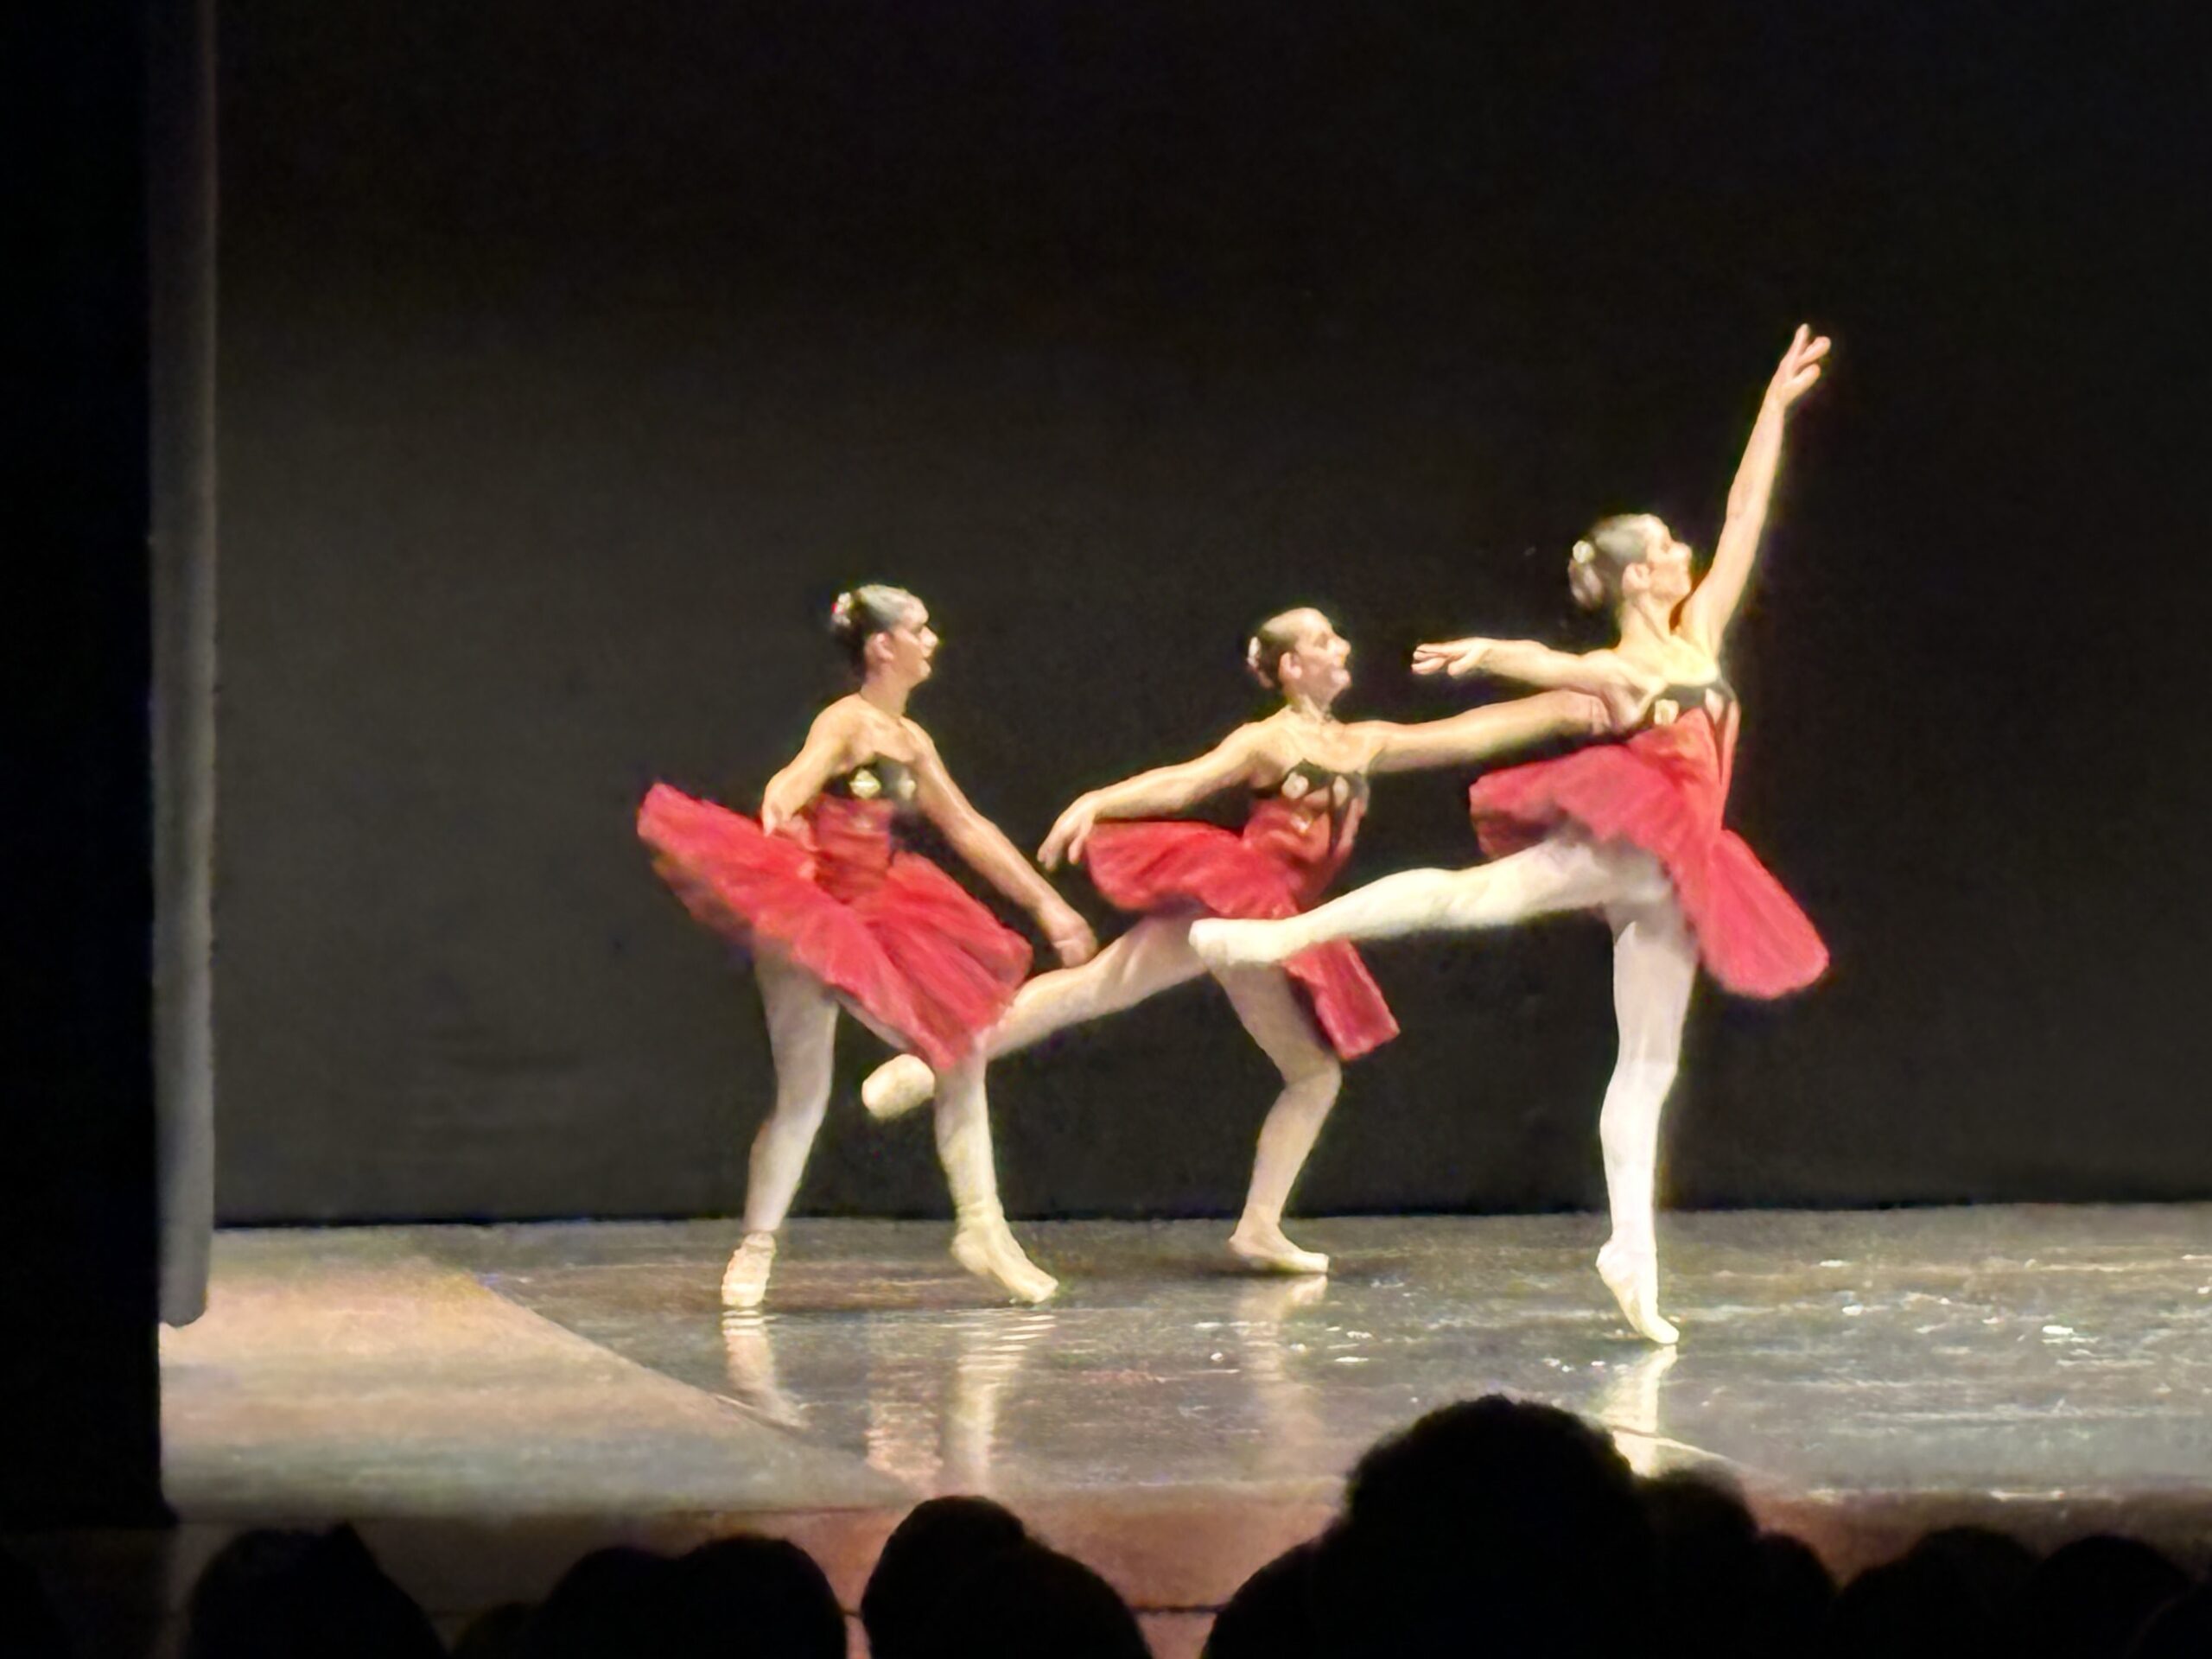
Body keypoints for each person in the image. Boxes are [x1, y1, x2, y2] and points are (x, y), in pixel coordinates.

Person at [1192, 327, 1832, 1339]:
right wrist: (1492, 651)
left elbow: (1747, 510)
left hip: (1681, 873)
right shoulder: (1621, 671)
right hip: (1631, 843)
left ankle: (1631, 1255)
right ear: (1635, 579)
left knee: (1649, 1066)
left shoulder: (1702, 631)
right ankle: (1278, 937)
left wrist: (1773, 407)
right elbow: (1554, 665)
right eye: (1666, 549)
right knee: (1465, 899)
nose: (1686, 554)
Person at [862, 607, 1605, 1272]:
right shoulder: (1267, 741)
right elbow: (1186, 783)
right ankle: (932, 1060)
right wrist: (1100, 800)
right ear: (1291, 667)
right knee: (1115, 996)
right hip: (1240, 895)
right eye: (1322, 640)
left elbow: (1465, 735)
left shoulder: (1364, 742)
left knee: (1291, 1066)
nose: (1341, 647)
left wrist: (1564, 703)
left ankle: (1257, 1229)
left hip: (1271, 920)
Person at [638, 585, 1096, 1306]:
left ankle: (983, 1229)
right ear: (883, 646)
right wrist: (782, 806)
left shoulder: (911, 741)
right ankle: (756, 1247)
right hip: (818, 919)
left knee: (961, 1054)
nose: (932, 640)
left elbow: (967, 827)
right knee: (804, 1095)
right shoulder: (846, 721)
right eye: (919, 629)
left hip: (885, 910)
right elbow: (796, 778)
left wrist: (1048, 904)